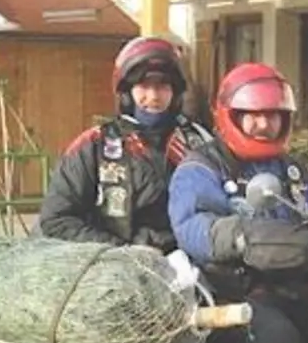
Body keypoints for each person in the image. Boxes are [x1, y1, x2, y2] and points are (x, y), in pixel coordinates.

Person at [168, 62, 308, 343]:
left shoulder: (292, 170)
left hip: (298, 288)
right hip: (234, 295)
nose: (264, 124)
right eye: (253, 116)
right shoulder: (201, 168)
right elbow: (194, 226)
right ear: (231, 116)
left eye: (273, 116)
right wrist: (244, 238)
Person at [38, 35, 215, 251]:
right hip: (114, 266)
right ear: (126, 94)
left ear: (175, 92)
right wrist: (121, 252)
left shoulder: (200, 143)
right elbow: (56, 219)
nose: (153, 96)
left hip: (191, 264)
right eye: (143, 86)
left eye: (162, 86)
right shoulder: (93, 146)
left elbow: (226, 208)